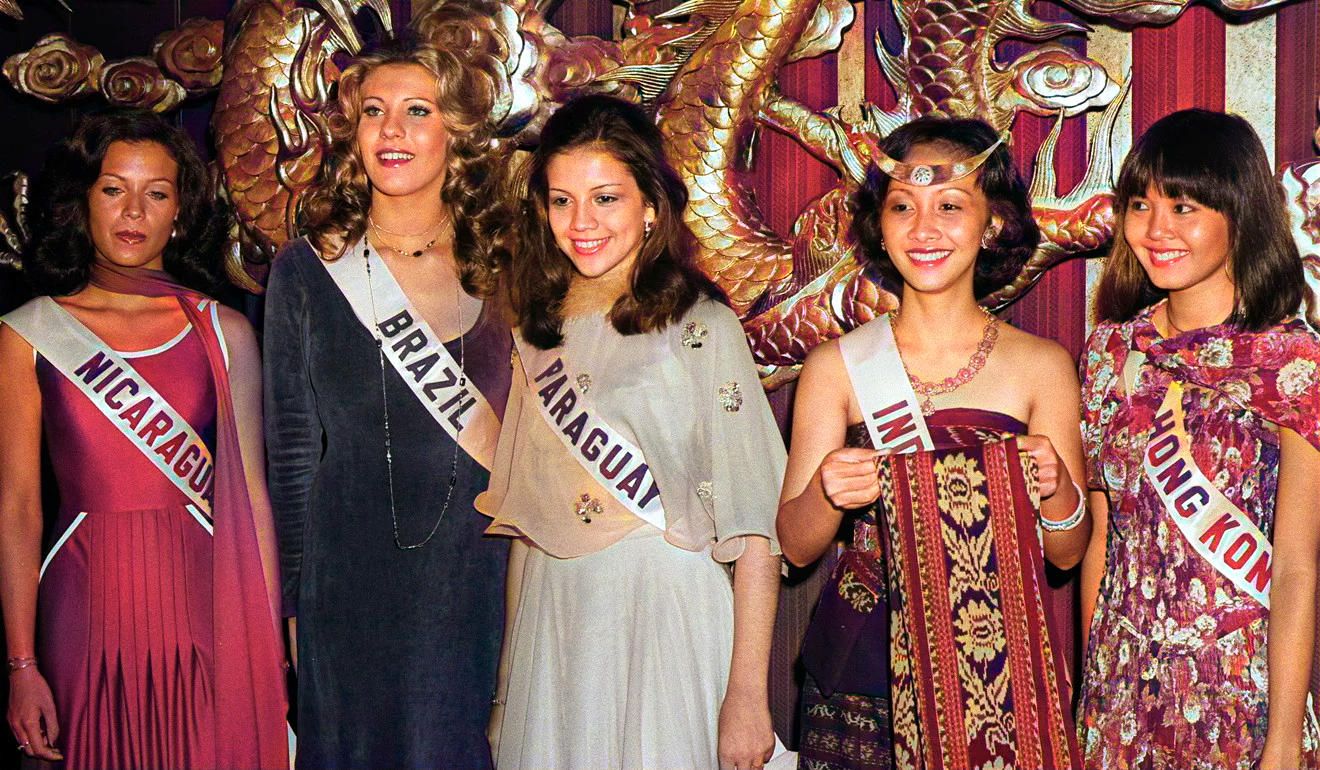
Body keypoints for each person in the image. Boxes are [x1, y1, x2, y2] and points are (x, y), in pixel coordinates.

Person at [480, 94, 783, 769]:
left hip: (664, 610)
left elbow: (756, 532)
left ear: (650, 204)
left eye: (605, 198)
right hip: (557, 621)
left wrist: (746, 695)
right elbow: (530, 532)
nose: (581, 223)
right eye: (561, 201)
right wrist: (507, 694)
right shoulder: (539, 331)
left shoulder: (702, 326)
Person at [777, 117, 1089, 770]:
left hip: (993, 671)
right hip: (861, 668)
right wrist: (828, 492)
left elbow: (1066, 553)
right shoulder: (836, 367)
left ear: (992, 222)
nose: (924, 229)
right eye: (902, 207)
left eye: (949, 206)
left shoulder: (1042, 365)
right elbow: (796, 546)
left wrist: (1058, 489)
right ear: (880, 225)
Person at [0, 109, 288, 768]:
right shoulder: (28, 333)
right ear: (83, 202)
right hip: (82, 606)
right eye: (113, 189)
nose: (134, 211)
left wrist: (266, 644)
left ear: (179, 212)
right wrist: (21, 663)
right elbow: (17, 508)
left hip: (207, 601)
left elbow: (253, 500)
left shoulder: (224, 332)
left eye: (156, 193)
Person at [263, 28, 512, 769]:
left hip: (474, 573)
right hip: (346, 578)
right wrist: (294, 608)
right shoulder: (307, 272)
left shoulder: (505, 267)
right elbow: (292, 456)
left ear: (456, 133)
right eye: (374, 111)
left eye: (417, 111)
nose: (391, 130)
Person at [1077, 109, 1320, 770]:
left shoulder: (1291, 362)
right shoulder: (1110, 351)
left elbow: (1296, 567)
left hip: (1241, 694)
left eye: (1183, 207)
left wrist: (1282, 743)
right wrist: (1090, 699)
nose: (1156, 229)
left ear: (1240, 214)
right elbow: (1104, 538)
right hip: (1121, 691)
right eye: (1140, 205)